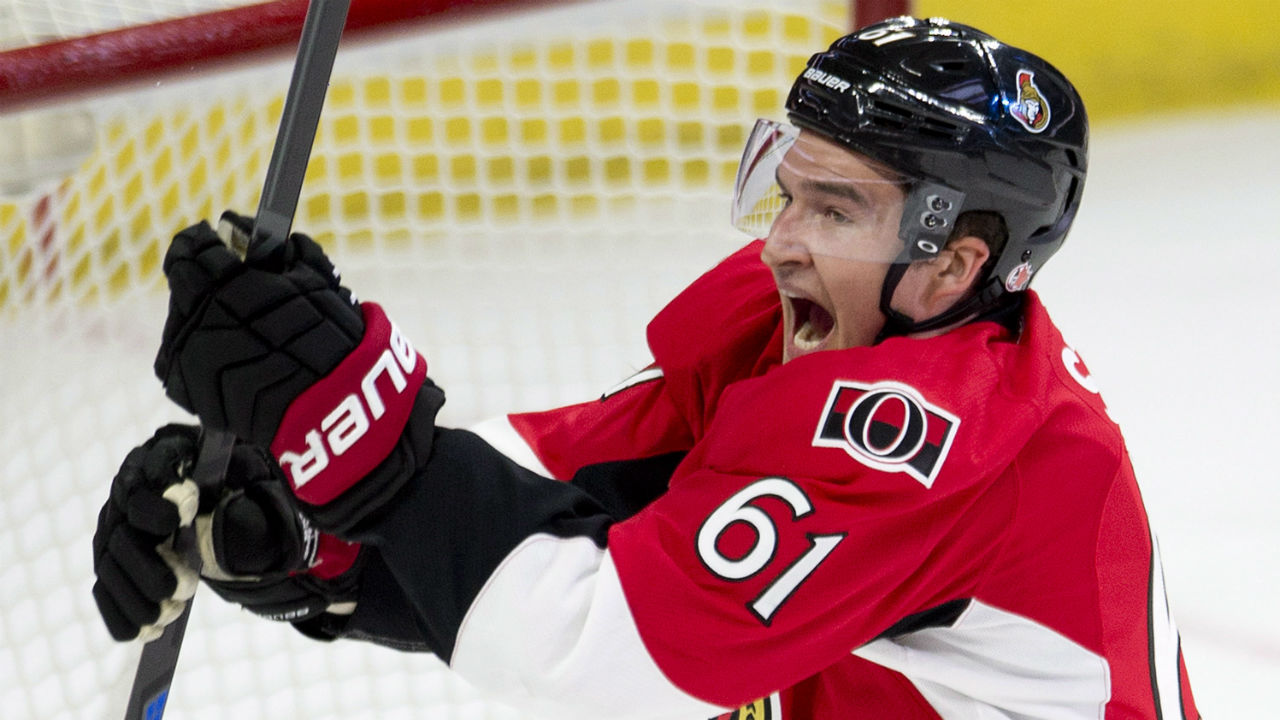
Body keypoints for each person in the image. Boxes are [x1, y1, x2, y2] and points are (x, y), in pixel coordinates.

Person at [90, 16, 1201, 719]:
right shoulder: (809, 327)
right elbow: (581, 516)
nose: (780, 239)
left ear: (954, 262)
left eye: (838, 207)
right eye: (789, 186)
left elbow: (600, 647)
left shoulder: (949, 438)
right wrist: (306, 532)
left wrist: (353, 421)